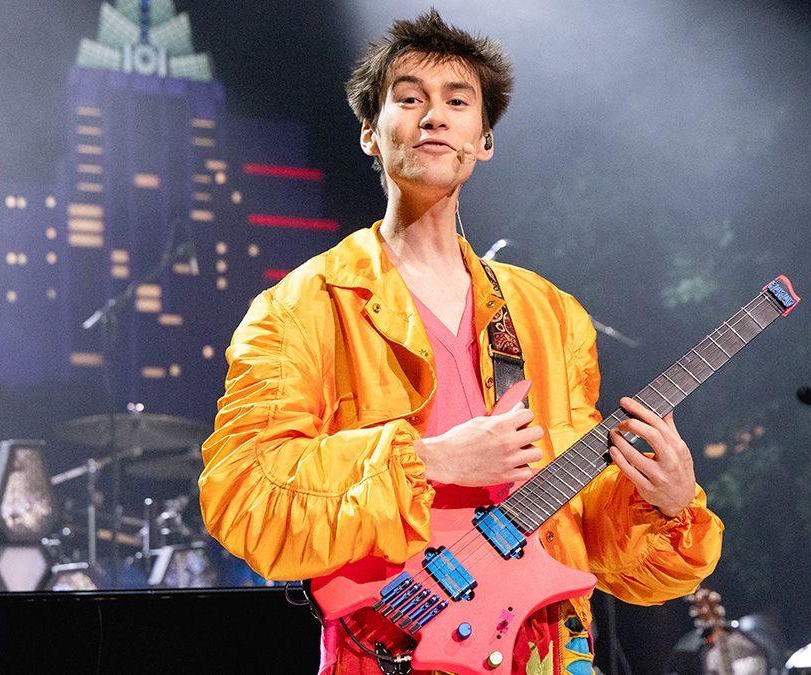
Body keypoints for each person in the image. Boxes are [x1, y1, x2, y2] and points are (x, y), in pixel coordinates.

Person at [198, 10, 722, 674]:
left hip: (543, 649)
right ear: (370, 134)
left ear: (484, 141)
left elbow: (588, 536)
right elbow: (243, 497)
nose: (434, 117)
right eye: (409, 98)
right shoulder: (300, 309)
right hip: (391, 646)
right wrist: (427, 461)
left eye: (456, 101)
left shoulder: (549, 316)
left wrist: (666, 504)